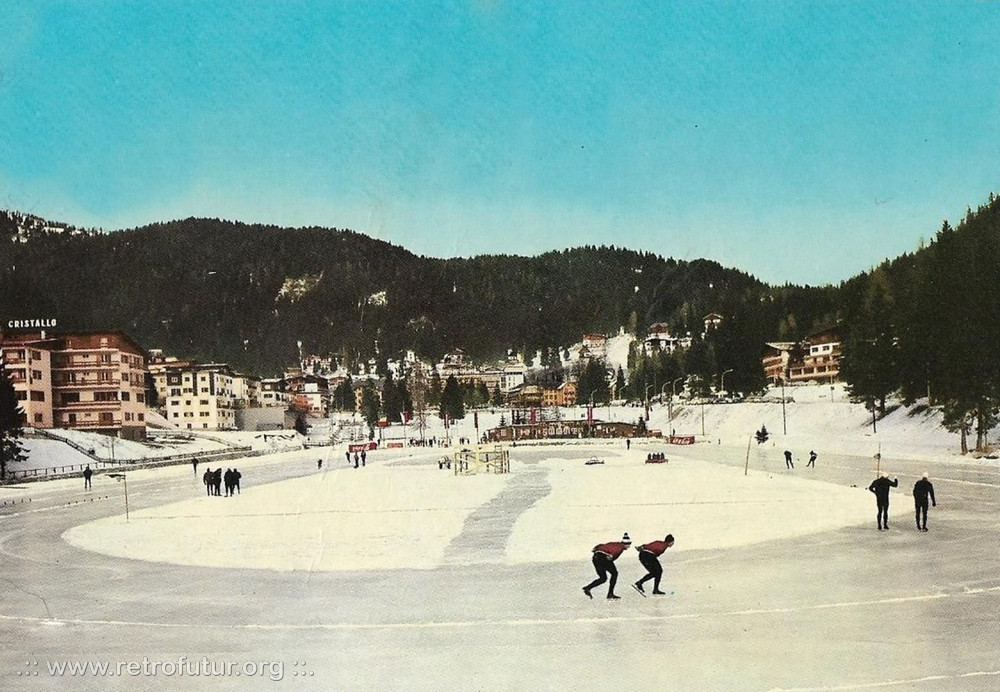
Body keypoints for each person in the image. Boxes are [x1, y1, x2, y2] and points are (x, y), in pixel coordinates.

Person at [583, 532, 632, 600]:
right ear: (625, 544)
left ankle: (588, 588)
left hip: (595, 557)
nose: (629, 546)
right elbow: (615, 550)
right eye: (629, 545)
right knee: (614, 573)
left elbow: (602, 545)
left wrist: (596, 548)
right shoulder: (620, 547)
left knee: (603, 578)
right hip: (603, 557)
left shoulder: (614, 543)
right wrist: (611, 555)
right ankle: (610, 594)